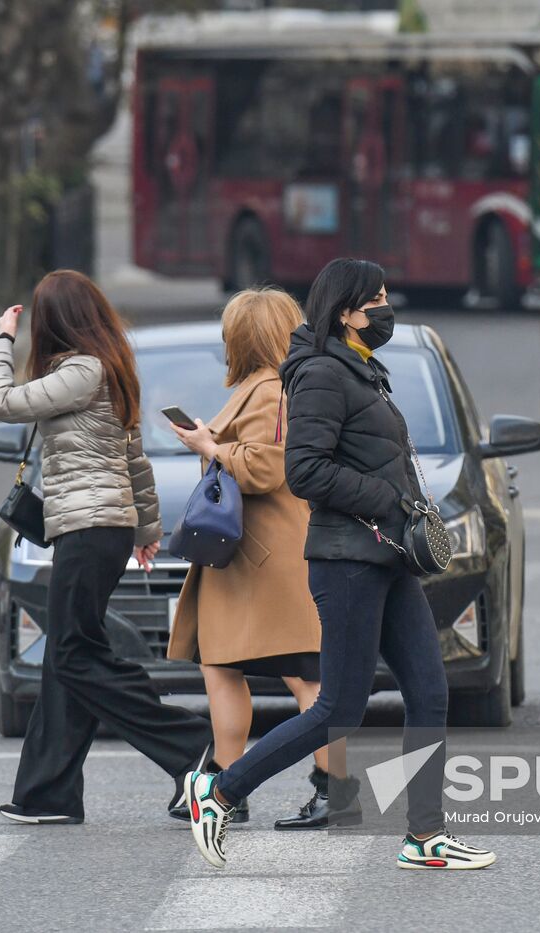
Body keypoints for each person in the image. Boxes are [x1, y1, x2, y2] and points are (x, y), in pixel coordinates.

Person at [183, 258, 495, 871]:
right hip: (347, 560)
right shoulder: (322, 374)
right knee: (339, 707)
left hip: (386, 556)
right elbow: (304, 471)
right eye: (374, 298)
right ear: (346, 310)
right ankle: (217, 792)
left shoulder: (361, 370)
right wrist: (389, 499)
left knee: (430, 693)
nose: (386, 307)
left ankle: (425, 836)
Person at [0, 269, 214, 825]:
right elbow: (134, 458)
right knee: (68, 657)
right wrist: (145, 530)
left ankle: (192, 747)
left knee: (74, 655)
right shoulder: (109, 369)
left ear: (56, 321)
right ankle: (47, 794)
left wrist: (0, 341)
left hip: (88, 531)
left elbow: (1, 402)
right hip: (98, 530)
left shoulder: (82, 370)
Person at [165, 287, 359, 830]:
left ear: (242, 338)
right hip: (256, 559)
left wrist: (210, 447)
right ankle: (231, 788)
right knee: (226, 667)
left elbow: (269, 468)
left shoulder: (275, 389)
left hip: (269, 560)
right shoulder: (269, 386)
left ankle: (330, 789)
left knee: (306, 677)